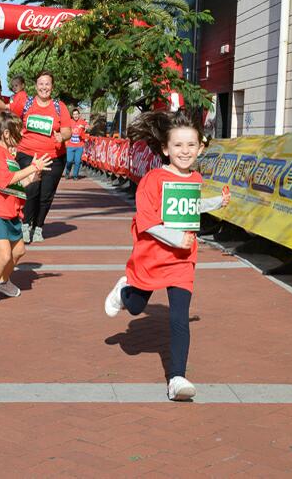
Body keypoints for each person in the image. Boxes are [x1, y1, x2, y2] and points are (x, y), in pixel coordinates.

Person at [103, 109, 230, 401]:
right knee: (135, 307)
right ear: (165, 148)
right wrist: (176, 238)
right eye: (178, 145)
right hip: (152, 256)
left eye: (190, 145)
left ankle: (177, 378)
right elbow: (147, 222)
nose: (184, 151)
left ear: (200, 148)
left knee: (179, 318)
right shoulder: (152, 180)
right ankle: (124, 292)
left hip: (182, 261)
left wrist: (216, 202)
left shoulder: (195, 177)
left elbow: (190, 208)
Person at [0, 71, 72, 244]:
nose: (44, 87)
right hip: (28, 153)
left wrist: (62, 137)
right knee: (30, 190)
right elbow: (5, 107)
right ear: (36, 86)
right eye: (41, 84)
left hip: (54, 158)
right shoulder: (25, 103)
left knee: (46, 195)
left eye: (47, 84)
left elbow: (67, 129)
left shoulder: (60, 106)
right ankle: (26, 224)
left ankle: (39, 227)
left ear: (52, 87)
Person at [0, 111, 53, 309]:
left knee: (19, 251)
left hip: (11, 212)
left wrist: (32, 177)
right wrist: (32, 166)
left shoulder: (10, 156)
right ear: (6, 134)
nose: (21, 133)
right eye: (17, 130)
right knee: (4, 255)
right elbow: (4, 181)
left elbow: (16, 184)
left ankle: (3, 281)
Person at [64, 108, 87, 180]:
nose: (75, 116)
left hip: (79, 145)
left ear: (79, 115)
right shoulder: (69, 121)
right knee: (69, 161)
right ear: (72, 115)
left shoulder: (82, 121)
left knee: (77, 161)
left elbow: (87, 127)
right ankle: (67, 172)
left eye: (77, 114)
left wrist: (83, 127)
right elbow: (64, 128)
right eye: (74, 114)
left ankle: (75, 175)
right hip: (70, 145)